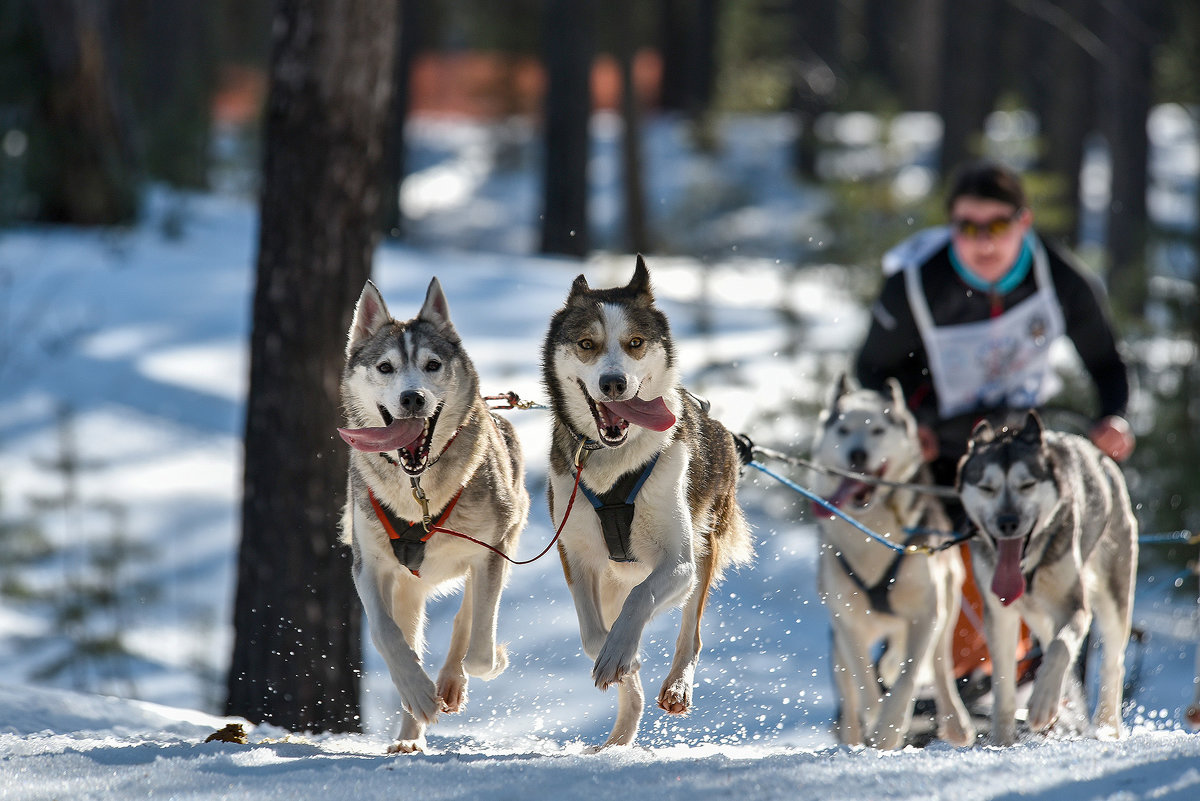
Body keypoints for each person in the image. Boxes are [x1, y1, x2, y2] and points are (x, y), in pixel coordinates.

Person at [853, 159, 1136, 699]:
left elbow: (1107, 361)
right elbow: (873, 370)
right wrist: (912, 426)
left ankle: (1031, 669)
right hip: (943, 436)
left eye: (998, 226)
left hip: (1023, 436)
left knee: (1040, 537)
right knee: (958, 546)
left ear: (1023, 223)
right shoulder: (917, 283)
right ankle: (949, 674)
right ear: (952, 226)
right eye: (968, 227)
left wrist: (1113, 418)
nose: (983, 241)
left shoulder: (1060, 277)